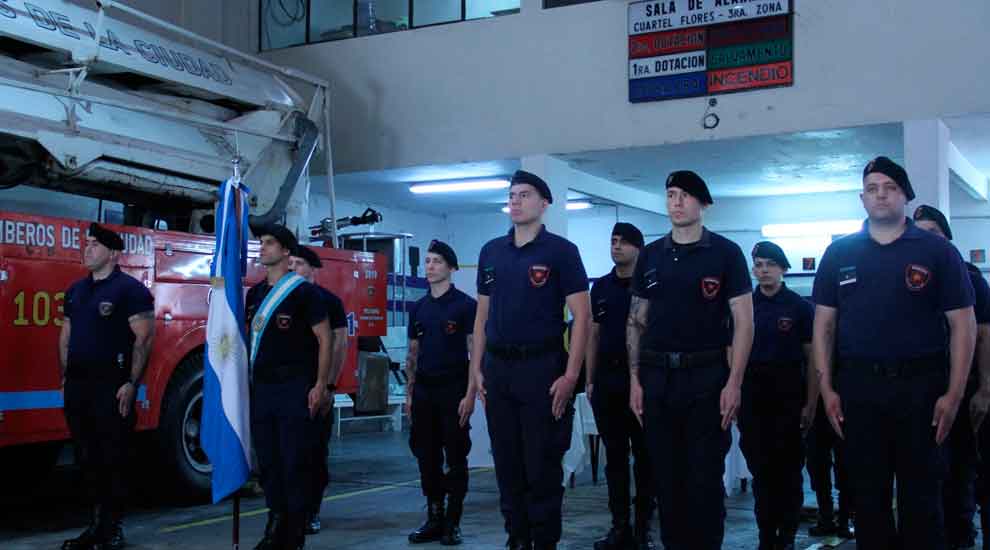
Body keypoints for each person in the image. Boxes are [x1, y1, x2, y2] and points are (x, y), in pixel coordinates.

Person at [812, 157, 977, 550]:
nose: (880, 195)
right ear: (861, 198)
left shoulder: (936, 251)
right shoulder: (839, 253)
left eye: (889, 187)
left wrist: (954, 394)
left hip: (921, 388)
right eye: (872, 188)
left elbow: (964, 325)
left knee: (923, 499)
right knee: (868, 499)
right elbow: (823, 326)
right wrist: (827, 389)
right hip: (860, 388)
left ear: (904, 195)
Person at [627, 170, 753, 550]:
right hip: (657, 379)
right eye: (670, 195)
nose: (676, 202)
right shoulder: (650, 256)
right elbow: (636, 320)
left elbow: (744, 322)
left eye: (684, 195)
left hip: (707, 378)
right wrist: (635, 380)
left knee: (703, 479)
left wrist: (734, 382)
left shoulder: (725, 254)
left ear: (703, 203)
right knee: (666, 480)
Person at [470, 169, 591, 550]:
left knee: (541, 463)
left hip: (542, 369)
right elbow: (482, 314)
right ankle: (517, 540)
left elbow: (583, 317)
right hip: (498, 369)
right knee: (507, 464)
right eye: (512, 195)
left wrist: (572, 374)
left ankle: (543, 542)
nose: (516, 201)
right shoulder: (491, 251)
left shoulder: (561, 252)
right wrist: (476, 368)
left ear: (544, 203)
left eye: (524, 194)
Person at [59, 223, 155, 550]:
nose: (87, 250)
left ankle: (113, 529)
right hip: (78, 387)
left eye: (94, 245)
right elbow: (66, 334)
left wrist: (131, 383)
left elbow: (143, 339)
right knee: (87, 459)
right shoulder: (76, 290)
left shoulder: (130, 291)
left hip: (111, 388)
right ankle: (95, 527)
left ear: (113, 253)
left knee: (112, 458)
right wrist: (65, 376)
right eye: (86, 244)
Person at [247, 225, 332, 550]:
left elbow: (325, 338)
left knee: (293, 461)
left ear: (286, 252)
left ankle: (293, 534)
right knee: (268, 462)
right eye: (261, 243)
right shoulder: (255, 294)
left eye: (269, 243)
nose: (262, 248)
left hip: (295, 387)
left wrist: (320, 384)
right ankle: (275, 523)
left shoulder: (304, 293)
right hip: (263, 388)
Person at [913, 204, 990, 550]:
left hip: (965, 388)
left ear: (947, 238)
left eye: (933, 233)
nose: (925, 240)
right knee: (927, 476)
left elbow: (985, 336)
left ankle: (962, 538)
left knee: (962, 471)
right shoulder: (911, 281)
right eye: (919, 233)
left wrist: (985, 387)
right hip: (921, 390)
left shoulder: (970, 278)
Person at [738, 241, 815, 550]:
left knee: (789, 471)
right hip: (753, 396)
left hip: (788, 396)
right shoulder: (744, 306)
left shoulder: (799, 307)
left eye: (770, 264)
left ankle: (788, 535)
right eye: (758, 264)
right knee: (761, 472)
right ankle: (766, 535)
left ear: (783, 268)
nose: (764, 270)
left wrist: (811, 402)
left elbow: (812, 360)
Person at [585, 222, 656, 550]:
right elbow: (593, 334)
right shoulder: (599, 287)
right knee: (614, 458)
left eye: (624, 242)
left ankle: (644, 530)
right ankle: (619, 528)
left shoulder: (652, 285)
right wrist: (589, 377)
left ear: (638, 248)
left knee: (645, 458)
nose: (616, 247)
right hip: (608, 382)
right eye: (613, 241)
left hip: (643, 381)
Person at [404, 239, 477, 546]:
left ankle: (453, 521)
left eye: (436, 261)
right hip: (424, 392)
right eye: (428, 261)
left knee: (456, 457)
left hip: (454, 391)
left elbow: (475, 353)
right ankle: (434, 516)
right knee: (426, 457)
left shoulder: (465, 306)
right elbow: (413, 354)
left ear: (451, 268)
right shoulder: (418, 307)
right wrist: (409, 396)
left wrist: (471, 394)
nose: (430, 266)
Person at [288, 245, 349, 536]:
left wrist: (328, 386)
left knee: (313, 454)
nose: (293, 268)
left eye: (299, 264)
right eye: (291, 263)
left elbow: (339, 345)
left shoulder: (329, 302)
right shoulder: (280, 299)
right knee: (286, 454)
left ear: (313, 269)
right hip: (286, 387)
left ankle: (311, 510)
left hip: (316, 388)